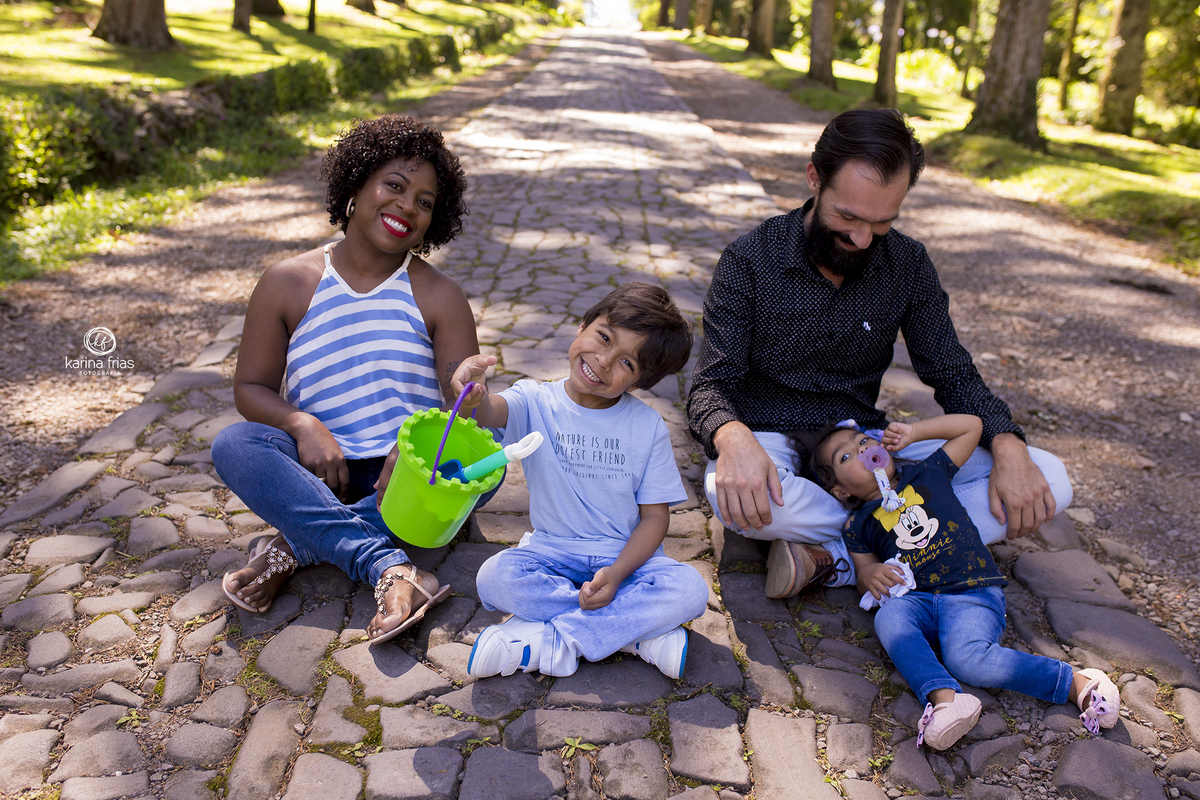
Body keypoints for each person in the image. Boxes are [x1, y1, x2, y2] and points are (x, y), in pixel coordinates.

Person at [685, 107, 1073, 599]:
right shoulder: (749, 260)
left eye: (882, 222)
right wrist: (732, 437)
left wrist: (1009, 446)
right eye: (847, 216)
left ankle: (837, 558)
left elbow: (953, 373)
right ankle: (918, 538)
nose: (862, 238)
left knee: (1051, 479)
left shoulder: (908, 264)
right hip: (772, 441)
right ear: (814, 178)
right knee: (731, 495)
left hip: (866, 447)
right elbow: (711, 386)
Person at [213, 115, 482, 644]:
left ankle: (299, 544)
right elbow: (250, 389)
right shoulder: (287, 282)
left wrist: (462, 399)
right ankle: (387, 563)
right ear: (355, 186)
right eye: (395, 186)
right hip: (317, 473)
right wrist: (302, 423)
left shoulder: (440, 296)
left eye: (425, 202)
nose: (407, 205)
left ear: (435, 219)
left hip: (404, 479)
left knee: (485, 466)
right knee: (235, 444)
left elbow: (463, 410)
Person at [790, 415, 1120, 750]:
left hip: (970, 589)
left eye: (863, 442)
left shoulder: (927, 472)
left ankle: (1075, 683)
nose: (861, 452)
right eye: (845, 457)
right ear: (840, 490)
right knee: (887, 618)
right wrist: (868, 574)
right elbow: (865, 574)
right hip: (917, 600)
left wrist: (914, 432)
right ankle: (946, 699)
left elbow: (972, 427)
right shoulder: (856, 525)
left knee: (969, 660)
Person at [448, 283, 709, 679]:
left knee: (690, 588)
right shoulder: (535, 400)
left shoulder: (646, 426)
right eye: (604, 337)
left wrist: (618, 573)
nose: (604, 361)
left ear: (639, 383)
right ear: (582, 325)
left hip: (623, 562)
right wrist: (471, 395)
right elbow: (487, 411)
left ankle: (550, 640)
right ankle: (632, 634)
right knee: (494, 578)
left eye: (627, 364)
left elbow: (655, 519)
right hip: (550, 553)